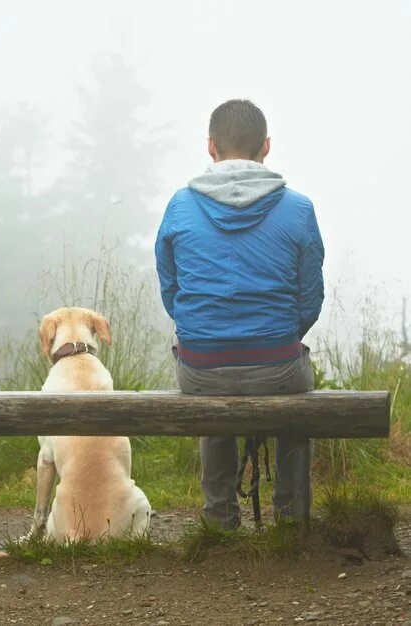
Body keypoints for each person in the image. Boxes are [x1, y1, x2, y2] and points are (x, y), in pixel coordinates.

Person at [154, 99, 325, 529]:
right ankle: (290, 518)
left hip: (200, 369)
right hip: (278, 368)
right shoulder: (298, 209)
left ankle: (219, 520)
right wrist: (276, 337)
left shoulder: (179, 206)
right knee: (295, 393)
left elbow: (171, 288)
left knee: (209, 377)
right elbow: (311, 299)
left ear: (210, 147)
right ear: (266, 146)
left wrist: (204, 331)